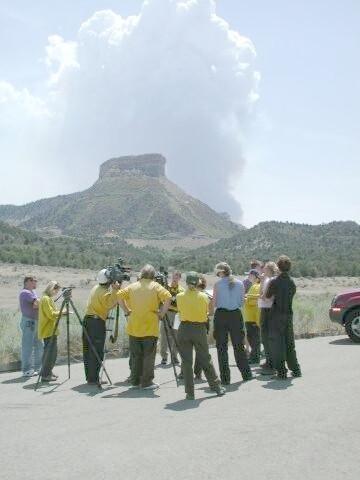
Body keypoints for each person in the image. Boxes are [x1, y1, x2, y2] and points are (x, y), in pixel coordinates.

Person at [118, 264, 172, 390]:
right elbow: (168, 297)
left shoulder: (133, 286)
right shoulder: (155, 286)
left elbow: (119, 295)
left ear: (141, 274)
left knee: (136, 355)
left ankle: (135, 381)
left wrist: (127, 310)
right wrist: (162, 313)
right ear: (153, 275)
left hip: (134, 325)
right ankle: (147, 382)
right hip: (150, 325)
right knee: (148, 355)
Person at [176, 272, 225, 400]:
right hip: (199, 329)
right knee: (205, 358)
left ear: (186, 283)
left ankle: (189, 393)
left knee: (186, 362)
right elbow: (209, 313)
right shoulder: (204, 297)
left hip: (184, 328)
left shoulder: (179, 296)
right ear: (198, 282)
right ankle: (216, 387)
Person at [213, 262, 253, 385]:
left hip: (221, 315)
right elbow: (241, 303)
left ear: (221, 272)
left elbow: (214, 303)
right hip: (235, 315)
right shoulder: (240, 283)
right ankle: (246, 374)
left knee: (222, 347)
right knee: (238, 345)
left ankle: (225, 379)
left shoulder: (217, 285)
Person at [83, 269, 123, 385]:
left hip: (88, 320)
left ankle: (90, 377)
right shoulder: (104, 292)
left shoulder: (96, 288)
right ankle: (94, 378)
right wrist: (116, 290)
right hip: (96, 322)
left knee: (88, 350)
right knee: (97, 350)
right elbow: (110, 304)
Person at [266, 255, 302, 379]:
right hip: (288, 314)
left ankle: (281, 372)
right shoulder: (292, 282)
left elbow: (268, 296)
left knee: (278, 344)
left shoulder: (274, 282)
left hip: (276, 315)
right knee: (289, 343)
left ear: (278, 267)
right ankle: (296, 369)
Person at [38, 281, 66, 382]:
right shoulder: (45, 299)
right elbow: (50, 314)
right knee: (50, 354)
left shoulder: (47, 298)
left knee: (52, 353)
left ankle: (48, 371)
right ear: (52, 288)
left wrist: (62, 313)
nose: (56, 293)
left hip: (51, 330)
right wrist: (63, 312)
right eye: (56, 291)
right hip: (48, 330)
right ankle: (45, 375)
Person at [19, 275, 43, 377]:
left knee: (39, 345)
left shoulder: (33, 292)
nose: (36, 283)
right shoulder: (25, 293)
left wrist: (37, 303)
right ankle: (27, 369)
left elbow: (37, 304)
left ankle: (38, 368)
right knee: (27, 345)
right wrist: (37, 303)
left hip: (35, 321)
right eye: (34, 281)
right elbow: (37, 303)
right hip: (29, 322)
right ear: (28, 281)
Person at [258, 261, 279, 374]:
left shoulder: (272, 280)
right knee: (264, 336)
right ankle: (268, 360)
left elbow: (266, 296)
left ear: (269, 269)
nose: (263, 270)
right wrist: (261, 282)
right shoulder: (266, 279)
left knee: (266, 336)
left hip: (268, 309)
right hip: (264, 308)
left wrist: (262, 297)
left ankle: (271, 362)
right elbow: (261, 293)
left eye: (265, 268)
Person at [160, 270, 184, 365]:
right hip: (167, 313)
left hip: (177, 315)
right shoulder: (166, 288)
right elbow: (162, 301)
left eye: (177, 276)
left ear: (179, 278)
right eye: (174, 276)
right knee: (164, 335)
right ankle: (164, 357)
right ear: (171, 276)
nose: (175, 278)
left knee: (177, 336)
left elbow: (182, 304)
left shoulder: (182, 290)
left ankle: (174, 356)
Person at [243, 269, 262, 364]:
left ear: (255, 276)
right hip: (250, 317)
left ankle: (254, 358)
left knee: (254, 339)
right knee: (252, 338)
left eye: (250, 275)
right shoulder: (254, 286)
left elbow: (254, 301)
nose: (248, 277)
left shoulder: (256, 286)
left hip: (253, 317)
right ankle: (254, 357)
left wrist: (245, 299)